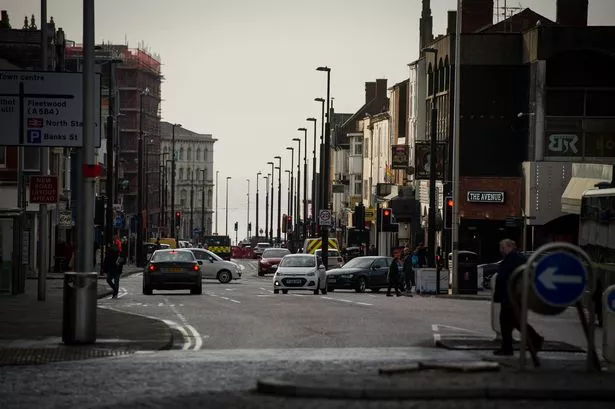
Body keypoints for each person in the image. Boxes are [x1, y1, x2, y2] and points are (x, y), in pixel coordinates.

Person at [493, 239, 544, 356]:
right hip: (512, 296)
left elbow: (505, 277)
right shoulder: (515, 258)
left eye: (502, 247)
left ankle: (533, 341)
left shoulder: (514, 259)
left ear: (509, 247)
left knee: (511, 322)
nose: (500, 250)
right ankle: (510, 346)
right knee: (512, 322)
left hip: (512, 296)